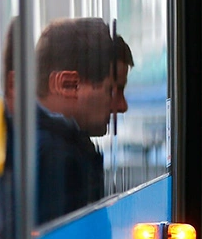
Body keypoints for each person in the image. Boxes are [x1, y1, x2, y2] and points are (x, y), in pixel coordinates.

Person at [34, 17, 132, 224]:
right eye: (112, 90)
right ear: (66, 85)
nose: (122, 106)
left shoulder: (55, 147)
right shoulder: (54, 158)